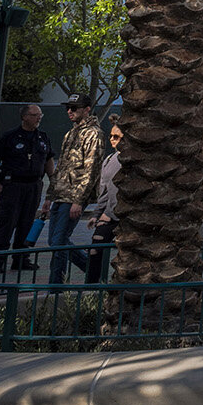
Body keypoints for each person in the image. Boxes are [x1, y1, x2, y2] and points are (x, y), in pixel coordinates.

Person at [0, 103, 54, 274]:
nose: (38, 118)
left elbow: (48, 160)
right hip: (12, 185)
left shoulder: (42, 137)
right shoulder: (11, 137)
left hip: (33, 186)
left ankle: (21, 259)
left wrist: (54, 181)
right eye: (34, 115)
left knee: (26, 223)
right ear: (24, 117)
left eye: (40, 115)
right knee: (6, 223)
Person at [45, 96, 106, 284]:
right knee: (55, 241)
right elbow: (61, 167)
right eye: (68, 108)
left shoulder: (94, 134)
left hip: (73, 197)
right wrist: (49, 196)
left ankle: (56, 285)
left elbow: (91, 170)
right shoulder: (71, 133)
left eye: (74, 108)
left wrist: (79, 201)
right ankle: (92, 269)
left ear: (87, 109)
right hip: (61, 195)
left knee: (59, 242)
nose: (70, 111)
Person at [85, 118, 124, 284]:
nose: (112, 140)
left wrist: (108, 214)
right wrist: (97, 214)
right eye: (111, 136)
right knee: (95, 249)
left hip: (123, 216)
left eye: (117, 137)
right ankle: (93, 287)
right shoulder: (109, 160)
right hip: (109, 216)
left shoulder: (132, 162)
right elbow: (105, 191)